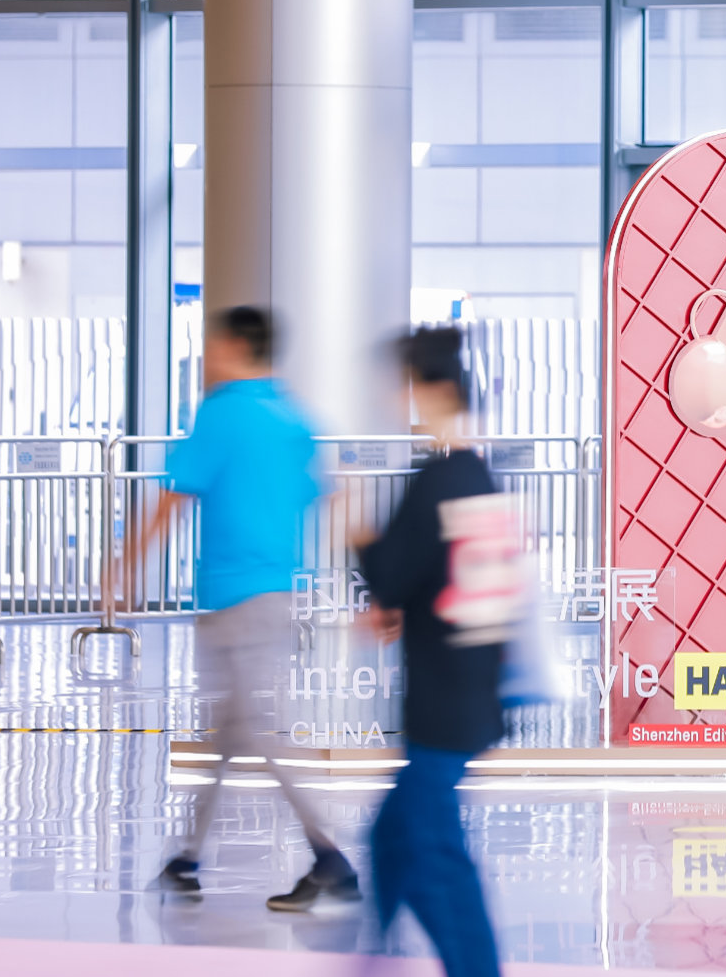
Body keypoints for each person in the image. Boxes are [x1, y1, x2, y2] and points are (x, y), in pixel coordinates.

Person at [136, 305, 359, 909]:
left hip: (232, 598)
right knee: (228, 732)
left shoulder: (221, 411)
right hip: (281, 591)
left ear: (235, 345)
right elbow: (332, 498)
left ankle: (330, 858)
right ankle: (185, 858)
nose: (209, 355)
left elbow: (173, 499)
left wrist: (127, 562)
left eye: (213, 344)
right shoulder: (294, 419)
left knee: (259, 730)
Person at [355, 326, 508, 977]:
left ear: (433, 391)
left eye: (408, 386)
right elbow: (436, 581)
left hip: (442, 703)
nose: (401, 399)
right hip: (470, 688)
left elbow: (391, 572)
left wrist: (352, 528)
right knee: (392, 837)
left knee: (433, 855)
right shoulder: (475, 476)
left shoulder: (438, 480)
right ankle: (373, 954)